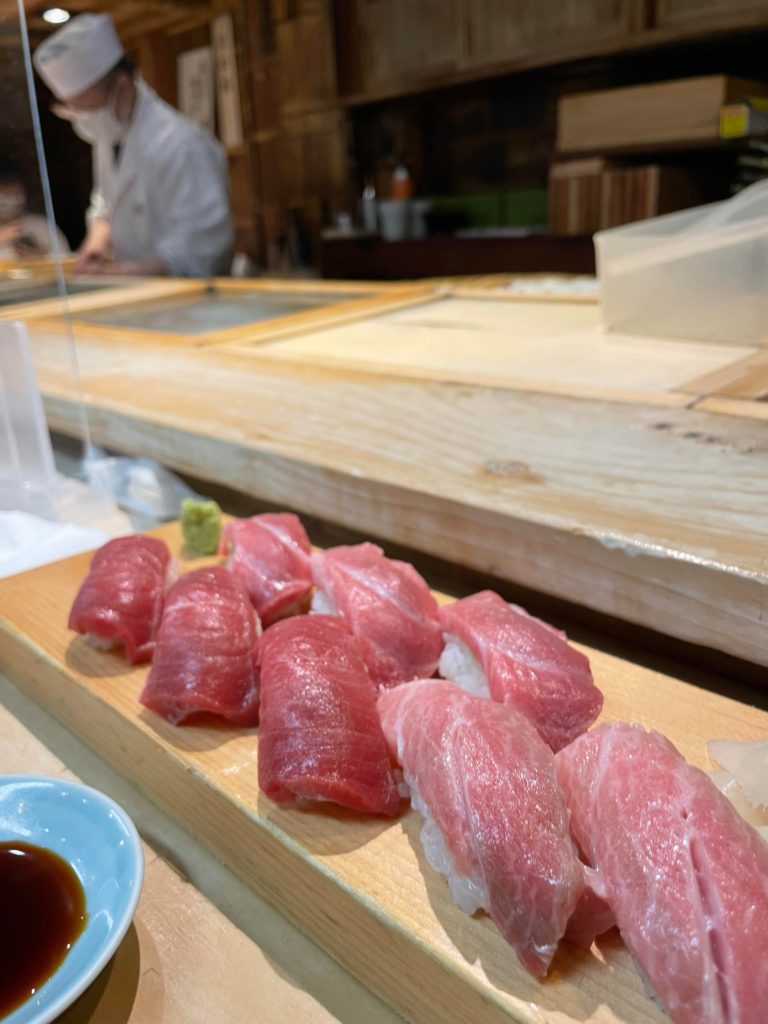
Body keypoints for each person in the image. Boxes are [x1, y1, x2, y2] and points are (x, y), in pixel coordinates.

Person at [33, 13, 233, 277]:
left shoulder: (182, 145)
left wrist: (122, 274)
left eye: (88, 109)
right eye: (74, 110)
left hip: (188, 295)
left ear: (123, 88)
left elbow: (202, 248)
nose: (83, 120)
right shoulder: (110, 137)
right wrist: (94, 247)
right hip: (136, 289)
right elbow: (107, 204)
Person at [0, 156, 70, 260]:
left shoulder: (41, 226)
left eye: (16, 196)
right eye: (4, 197)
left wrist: (41, 256)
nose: (10, 203)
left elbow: (66, 260)